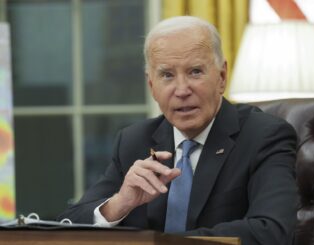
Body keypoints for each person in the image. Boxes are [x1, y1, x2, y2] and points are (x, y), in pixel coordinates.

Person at [58, 16, 298, 245]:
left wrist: (164, 243)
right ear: (152, 85)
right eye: (167, 75)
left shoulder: (264, 136)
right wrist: (119, 203)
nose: (182, 90)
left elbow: (272, 231)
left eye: (195, 71)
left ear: (222, 77)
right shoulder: (134, 141)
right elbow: (67, 224)